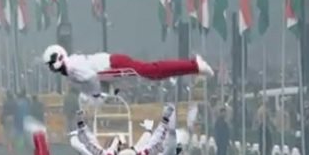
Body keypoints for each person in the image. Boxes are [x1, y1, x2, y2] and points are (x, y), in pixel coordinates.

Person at [42, 44, 214, 99]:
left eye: (51, 63)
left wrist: (98, 96)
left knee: (154, 71)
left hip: (115, 64)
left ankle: (194, 65)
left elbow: (92, 79)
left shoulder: (72, 68)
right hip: (113, 66)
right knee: (155, 73)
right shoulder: (71, 68)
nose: (51, 67)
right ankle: (193, 67)